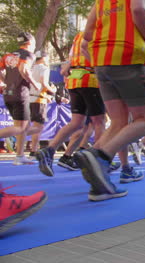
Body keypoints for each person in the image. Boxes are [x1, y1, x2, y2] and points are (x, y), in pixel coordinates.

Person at [73, 0, 145, 201]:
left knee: (119, 122)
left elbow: (87, 36)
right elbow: (137, 9)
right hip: (127, 56)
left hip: (101, 62)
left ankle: (96, 174)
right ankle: (101, 158)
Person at [35, 32, 107, 179]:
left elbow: (66, 65)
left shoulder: (79, 35)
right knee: (99, 122)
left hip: (74, 80)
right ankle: (98, 160)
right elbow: (87, 52)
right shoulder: (100, 33)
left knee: (76, 123)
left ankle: (49, 150)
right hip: (90, 79)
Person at [0, 32, 44, 165]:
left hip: (8, 93)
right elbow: (24, 69)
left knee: (19, 125)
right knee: (22, 128)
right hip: (20, 93)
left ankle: (20, 156)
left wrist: (4, 82)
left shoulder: (8, 55)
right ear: (30, 42)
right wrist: (34, 83)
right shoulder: (28, 54)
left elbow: (1, 70)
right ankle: (19, 155)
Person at [29, 51, 56, 158]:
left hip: (27, 98)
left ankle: (22, 150)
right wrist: (52, 90)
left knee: (26, 125)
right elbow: (43, 83)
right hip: (38, 100)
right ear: (44, 58)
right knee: (38, 127)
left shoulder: (29, 67)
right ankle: (33, 150)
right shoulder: (43, 68)